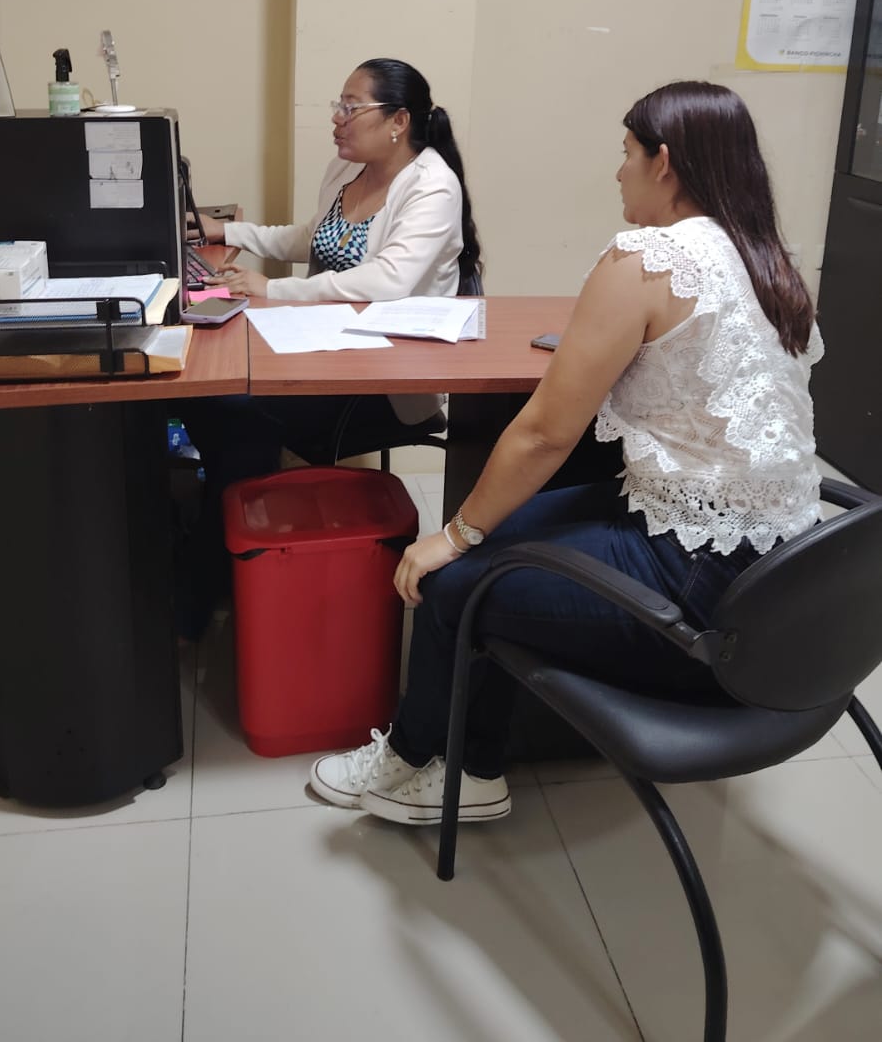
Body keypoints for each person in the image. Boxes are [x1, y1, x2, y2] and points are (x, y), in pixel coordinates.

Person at [310, 81, 823, 825]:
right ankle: (473, 761)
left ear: (664, 162)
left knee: (454, 578)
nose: (618, 172)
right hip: (782, 568)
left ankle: (419, 759)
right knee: (502, 537)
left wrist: (451, 535)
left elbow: (544, 433)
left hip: (694, 577)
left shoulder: (646, 256)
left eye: (627, 154)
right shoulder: (767, 256)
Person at [177, 57, 481, 637]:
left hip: (386, 379)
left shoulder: (432, 185)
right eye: (337, 106)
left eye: (351, 107)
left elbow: (387, 282)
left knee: (232, 412)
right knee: (214, 404)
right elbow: (312, 237)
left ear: (398, 121)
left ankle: (211, 576)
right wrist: (227, 232)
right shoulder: (348, 168)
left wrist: (272, 289)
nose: (337, 119)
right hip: (326, 350)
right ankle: (226, 554)